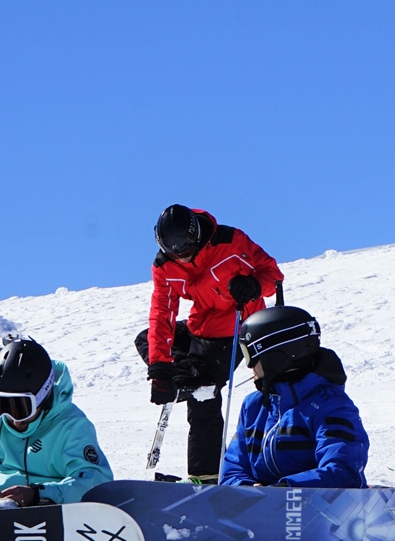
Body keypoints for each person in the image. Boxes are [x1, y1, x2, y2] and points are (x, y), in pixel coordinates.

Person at [137, 204, 285, 483]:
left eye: (186, 251)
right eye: (174, 253)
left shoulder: (230, 242)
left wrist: (254, 284)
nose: (181, 258)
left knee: (202, 394)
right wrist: (160, 369)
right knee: (146, 338)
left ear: (196, 239)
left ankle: (207, 476)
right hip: (200, 327)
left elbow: (273, 274)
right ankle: (185, 373)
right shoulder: (164, 266)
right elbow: (162, 314)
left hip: (238, 326)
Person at [0, 338, 113, 509]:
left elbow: (94, 481)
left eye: (20, 407)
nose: (10, 417)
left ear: (42, 398)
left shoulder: (71, 426)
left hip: (54, 513)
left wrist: (38, 494)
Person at [220, 306, 369, 488]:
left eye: (250, 355)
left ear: (275, 357)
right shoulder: (254, 406)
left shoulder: (330, 406)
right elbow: (232, 468)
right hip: (262, 510)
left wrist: (283, 489)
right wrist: (245, 490)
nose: (249, 366)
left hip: (319, 509)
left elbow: (343, 472)